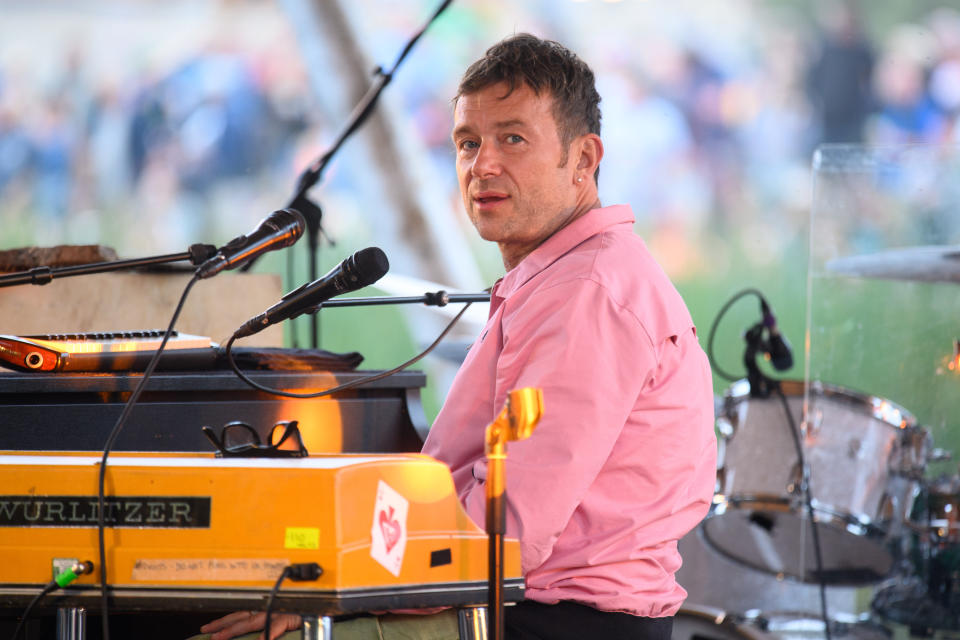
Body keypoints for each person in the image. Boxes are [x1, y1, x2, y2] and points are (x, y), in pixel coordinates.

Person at [196, 33, 716, 640]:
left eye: (513, 139)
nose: (482, 165)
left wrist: (335, 590)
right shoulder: (568, 276)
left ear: (584, 159)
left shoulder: (588, 293)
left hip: (543, 618)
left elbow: (506, 531)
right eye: (468, 143)